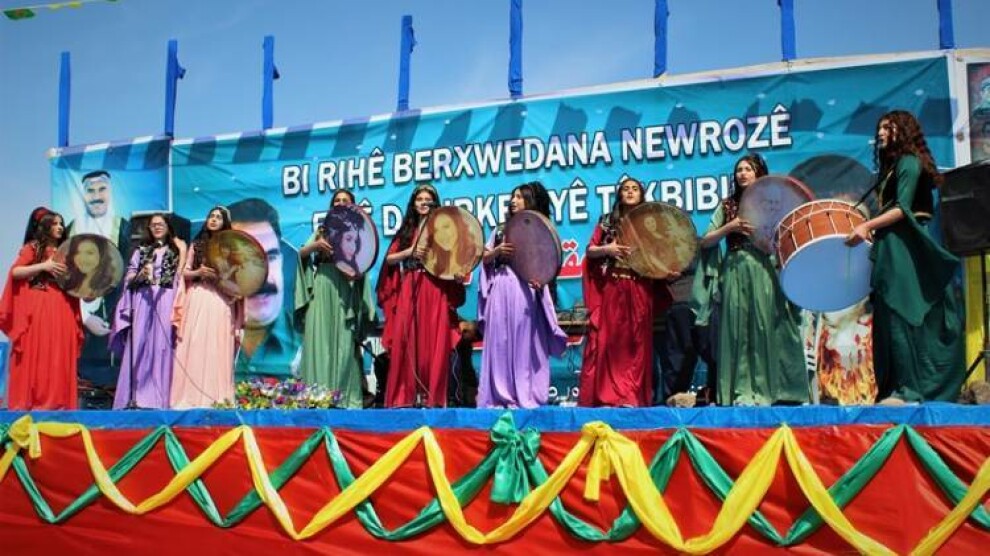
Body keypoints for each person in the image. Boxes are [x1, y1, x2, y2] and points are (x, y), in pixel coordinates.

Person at [845, 110, 965, 402]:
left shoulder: (909, 162)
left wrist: (866, 226)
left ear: (904, 130)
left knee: (900, 310)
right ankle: (893, 387)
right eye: (880, 128)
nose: (881, 133)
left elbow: (902, 209)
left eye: (888, 127)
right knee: (888, 314)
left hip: (906, 243)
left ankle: (908, 389)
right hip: (891, 242)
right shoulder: (891, 168)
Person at [693, 154, 808, 406]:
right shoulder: (727, 206)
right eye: (739, 169)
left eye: (748, 169)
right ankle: (740, 390)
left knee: (766, 326)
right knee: (737, 330)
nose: (742, 173)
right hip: (735, 269)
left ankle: (773, 390)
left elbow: (787, 236)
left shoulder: (773, 204)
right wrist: (730, 227)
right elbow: (706, 241)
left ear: (759, 174)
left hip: (763, 269)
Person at [580, 177, 674, 407]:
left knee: (637, 343)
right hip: (614, 287)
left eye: (635, 189)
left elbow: (661, 255)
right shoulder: (607, 222)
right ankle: (609, 395)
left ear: (641, 195)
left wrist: (667, 270)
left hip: (640, 288)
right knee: (611, 342)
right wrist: (608, 249)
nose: (630, 192)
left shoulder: (650, 224)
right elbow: (590, 251)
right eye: (626, 189)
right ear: (619, 194)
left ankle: (631, 396)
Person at [477, 181, 567, 408]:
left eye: (519, 197)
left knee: (522, 342)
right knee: (498, 341)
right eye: (513, 196)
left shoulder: (539, 229)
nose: (513, 200)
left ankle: (522, 393)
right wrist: (496, 251)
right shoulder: (500, 230)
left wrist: (541, 281)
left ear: (529, 201)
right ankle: (498, 394)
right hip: (501, 287)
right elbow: (484, 258)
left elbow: (548, 262)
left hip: (524, 290)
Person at [377, 184, 465, 407]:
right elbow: (389, 260)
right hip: (411, 286)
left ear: (435, 203)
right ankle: (406, 395)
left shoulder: (443, 232)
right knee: (408, 339)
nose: (424, 202)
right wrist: (410, 251)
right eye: (420, 199)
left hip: (435, 288)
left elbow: (454, 261)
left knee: (434, 341)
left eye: (428, 199)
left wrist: (456, 274)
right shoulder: (406, 231)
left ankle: (432, 396)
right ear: (413, 204)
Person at [295, 189, 375, 408]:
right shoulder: (323, 229)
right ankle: (316, 396)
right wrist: (315, 246)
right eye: (337, 200)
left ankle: (343, 398)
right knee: (318, 340)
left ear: (352, 205)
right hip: (322, 284)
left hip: (345, 288)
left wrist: (355, 271)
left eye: (344, 200)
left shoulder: (360, 231)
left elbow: (364, 262)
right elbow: (301, 254)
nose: (340, 203)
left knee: (344, 343)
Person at [0, 209, 83, 409]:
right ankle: (34, 401)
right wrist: (43, 266)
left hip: (63, 305)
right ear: (44, 226)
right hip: (40, 304)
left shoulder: (67, 252)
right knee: (39, 350)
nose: (60, 227)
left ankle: (59, 402)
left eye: (61, 223)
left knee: (59, 353)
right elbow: (16, 272)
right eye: (55, 223)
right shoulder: (33, 247)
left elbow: (77, 282)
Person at [110, 214, 187, 409]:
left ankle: (160, 398)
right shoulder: (142, 250)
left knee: (162, 345)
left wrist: (182, 251)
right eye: (153, 225)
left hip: (166, 297)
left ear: (168, 227)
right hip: (143, 299)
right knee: (139, 344)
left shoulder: (175, 249)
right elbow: (129, 277)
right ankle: (135, 396)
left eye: (161, 224)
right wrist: (140, 274)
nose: (157, 227)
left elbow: (180, 275)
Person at [170, 206, 244, 408]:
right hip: (198, 297)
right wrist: (199, 272)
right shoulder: (197, 245)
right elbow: (183, 273)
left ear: (225, 223)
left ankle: (216, 398)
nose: (214, 219)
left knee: (216, 347)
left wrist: (221, 279)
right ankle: (189, 397)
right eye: (211, 216)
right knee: (194, 344)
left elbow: (238, 282)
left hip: (220, 301)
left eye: (218, 217)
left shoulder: (232, 250)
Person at [66, 170, 132, 389]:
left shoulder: (123, 228)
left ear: (110, 192)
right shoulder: (70, 229)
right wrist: (84, 316)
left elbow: (127, 274)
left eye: (101, 189)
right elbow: (63, 277)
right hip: (78, 317)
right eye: (90, 191)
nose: (96, 196)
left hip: (112, 312)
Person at [229, 198, 302, 379]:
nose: (263, 277)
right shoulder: (206, 341)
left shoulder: (307, 344)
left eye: (271, 257)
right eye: (245, 260)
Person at [422, 210, 477, 278]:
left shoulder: (472, 258)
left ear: (457, 225)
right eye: (436, 230)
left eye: (446, 226)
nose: (441, 235)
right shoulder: (436, 260)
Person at [62, 235, 117, 300]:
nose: (83, 258)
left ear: (101, 254)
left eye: (89, 253)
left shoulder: (109, 289)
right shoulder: (68, 286)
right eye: (77, 252)